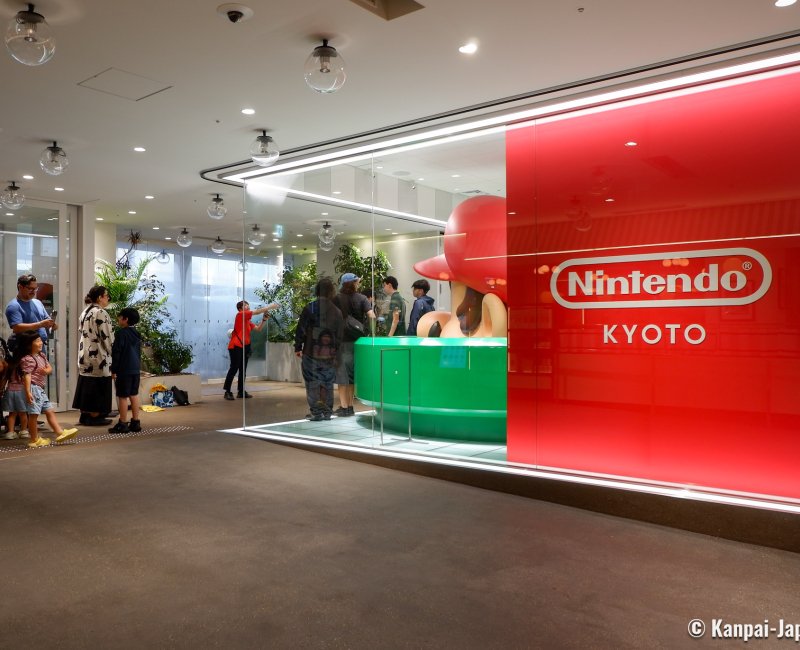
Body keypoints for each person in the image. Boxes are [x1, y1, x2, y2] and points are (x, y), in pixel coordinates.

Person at [4, 331, 77, 448]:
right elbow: (27, 376)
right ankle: (34, 439)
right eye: (37, 341)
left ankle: (60, 433)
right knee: (33, 415)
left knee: (49, 411)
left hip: (40, 389)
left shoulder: (41, 355)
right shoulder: (27, 359)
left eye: (40, 340)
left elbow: (49, 367)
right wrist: (28, 392)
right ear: (29, 344)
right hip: (33, 389)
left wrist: (47, 371)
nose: (40, 343)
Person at [294, 278, 344, 421]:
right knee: (327, 383)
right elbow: (340, 335)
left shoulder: (310, 308)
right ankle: (327, 412)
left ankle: (316, 412)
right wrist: (336, 352)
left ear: (317, 290)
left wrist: (298, 346)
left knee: (312, 383)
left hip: (311, 352)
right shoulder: (337, 312)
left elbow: (301, 330)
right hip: (330, 354)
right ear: (331, 292)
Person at [332, 273, 375, 417]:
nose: (359, 284)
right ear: (354, 283)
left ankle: (344, 408)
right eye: (358, 282)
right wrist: (369, 333)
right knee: (350, 376)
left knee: (341, 376)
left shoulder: (336, 299)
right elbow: (372, 316)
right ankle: (350, 406)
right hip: (358, 342)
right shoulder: (362, 298)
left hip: (342, 342)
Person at [72, 286, 114, 426]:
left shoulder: (85, 311)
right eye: (106, 295)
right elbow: (107, 336)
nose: (108, 298)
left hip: (85, 353)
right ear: (100, 297)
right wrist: (114, 353)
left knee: (86, 383)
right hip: (99, 355)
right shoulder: (101, 312)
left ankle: (85, 414)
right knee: (99, 385)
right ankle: (95, 415)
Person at [223, 300, 279, 401]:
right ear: (240, 309)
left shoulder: (248, 321)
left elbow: (258, 329)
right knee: (234, 368)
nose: (247, 306)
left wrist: (264, 320)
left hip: (245, 347)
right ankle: (227, 391)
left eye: (248, 304)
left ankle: (241, 391)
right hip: (236, 346)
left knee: (243, 370)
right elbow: (256, 312)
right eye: (245, 305)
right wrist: (270, 307)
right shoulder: (240, 315)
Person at [108, 308, 143, 434]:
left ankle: (122, 423)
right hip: (135, 369)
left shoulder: (121, 334)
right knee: (134, 394)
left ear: (126, 319)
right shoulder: (137, 334)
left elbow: (117, 353)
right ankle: (135, 422)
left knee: (122, 396)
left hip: (124, 369)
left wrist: (114, 369)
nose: (118, 319)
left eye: (120, 317)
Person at [4, 274, 57, 348]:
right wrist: (41, 324)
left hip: (40, 347)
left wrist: (52, 324)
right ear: (20, 287)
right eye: (30, 289)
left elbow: (46, 321)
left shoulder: (37, 302)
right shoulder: (14, 306)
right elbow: (17, 328)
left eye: (35, 289)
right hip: (24, 349)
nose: (34, 292)